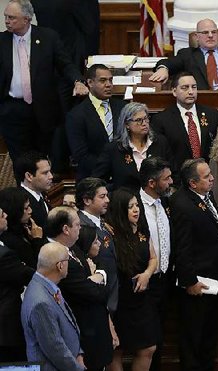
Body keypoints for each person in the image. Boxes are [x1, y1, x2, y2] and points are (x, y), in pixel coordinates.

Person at [171, 159, 218, 371]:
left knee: (209, 331)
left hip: (215, 276)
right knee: (193, 334)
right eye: (206, 177)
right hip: (197, 281)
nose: (212, 179)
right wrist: (190, 281)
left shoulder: (205, 197)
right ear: (192, 182)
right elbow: (182, 249)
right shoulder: (183, 205)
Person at [0, 0, 87, 161]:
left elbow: (65, 64)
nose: (6, 21)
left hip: (43, 108)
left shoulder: (48, 37)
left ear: (26, 19)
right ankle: (22, 185)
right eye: (6, 17)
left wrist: (77, 80)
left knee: (42, 156)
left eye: (12, 17)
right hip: (12, 109)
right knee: (19, 158)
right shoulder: (2, 41)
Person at [105, 189, 159, 371]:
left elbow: (153, 258)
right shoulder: (111, 237)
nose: (136, 210)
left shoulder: (142, 232)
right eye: (130, 206)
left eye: (137, 205)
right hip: (119, 301)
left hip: (142, 297)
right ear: (120, 210)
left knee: (148, 347)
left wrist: (147, 273)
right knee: (116, 350)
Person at [45, 206, 110, 371]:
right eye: (77, 225)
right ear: (65, 229)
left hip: (92, 329)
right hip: (82, 335)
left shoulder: (72, 249)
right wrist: (100, 277)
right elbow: (94, 293)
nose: (80, 229)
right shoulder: (57, 257)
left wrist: (95, 277)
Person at [137, 157, 174, 371]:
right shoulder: (134, 206)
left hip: (164, 280)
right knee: (148, 342)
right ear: (152, 183)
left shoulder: (165, 202)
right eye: (166, 178)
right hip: (144, 282)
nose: (171, 182)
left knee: (159, 340)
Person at [21, 242, 86, 371]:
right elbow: (53, 346)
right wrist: (78, 370)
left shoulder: (45, 286)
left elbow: (67, 323)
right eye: (68, 260)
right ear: (60, 266)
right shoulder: (41, 302)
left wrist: (78, 353)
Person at [150, 72, 218, 173]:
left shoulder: (212, 115)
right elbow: (161, 156)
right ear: (174, 91)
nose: (191, 92)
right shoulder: (161, 120)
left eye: (194, 87)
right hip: (177, 180)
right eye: (185, 88)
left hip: (208, 177)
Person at [65, 64, 125, 180]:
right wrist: (110, 167)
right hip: (93, 179)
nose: (108, 85)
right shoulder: (76, 115)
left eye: (110, 80)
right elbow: (80, 155)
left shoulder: (123, 107)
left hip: (122, 177)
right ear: (90, 83)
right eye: (103, 80)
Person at [93, 102, 170, 191]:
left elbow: (173, 173)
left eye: (146, 118)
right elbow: (98, 180)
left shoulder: (160, 142)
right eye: (138, 120)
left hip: (157, 200)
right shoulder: (114, 149)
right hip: (126, 202)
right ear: (126, 124)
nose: (144, 123)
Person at [75, 177, 118, 315]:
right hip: (98, 301)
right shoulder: (80, 227)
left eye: (107, 196)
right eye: (102, 196)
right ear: (87, 200)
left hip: (113, 296)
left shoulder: (102, 222)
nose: (108, 200)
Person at [0, 204, 35, 362]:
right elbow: (31, 276)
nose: (6, 215)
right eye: (1, 215)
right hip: (6, 330)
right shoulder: (4, 256)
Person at [0, 186, 44, 268]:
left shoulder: (22, 229)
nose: (30, 211)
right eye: (26, 208)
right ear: (15, 210)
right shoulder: (11, 241)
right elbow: (39, 267)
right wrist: (37, 240)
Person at [13, 151, 52, 228]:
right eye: (45, 173)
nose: (51, 176)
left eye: (50, 171)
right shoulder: (20, 203)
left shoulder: (42, 194)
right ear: (29, 176)